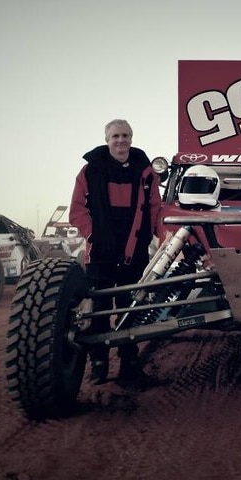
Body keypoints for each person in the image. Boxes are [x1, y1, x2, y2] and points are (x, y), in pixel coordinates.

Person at [69, 119, 161, 388]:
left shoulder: (145, 172)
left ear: (132, 138)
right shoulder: (90, 171)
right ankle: (99, 364)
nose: (121, 140)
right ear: (107, 139)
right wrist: (95, 236)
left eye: (126, 136)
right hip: (101, 254)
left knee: (129, 308)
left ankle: (129, 365)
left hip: (134, 253)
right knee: (99, 309)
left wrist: (160, 237)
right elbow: (77, 210)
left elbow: (155, 208)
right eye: (116, 136)